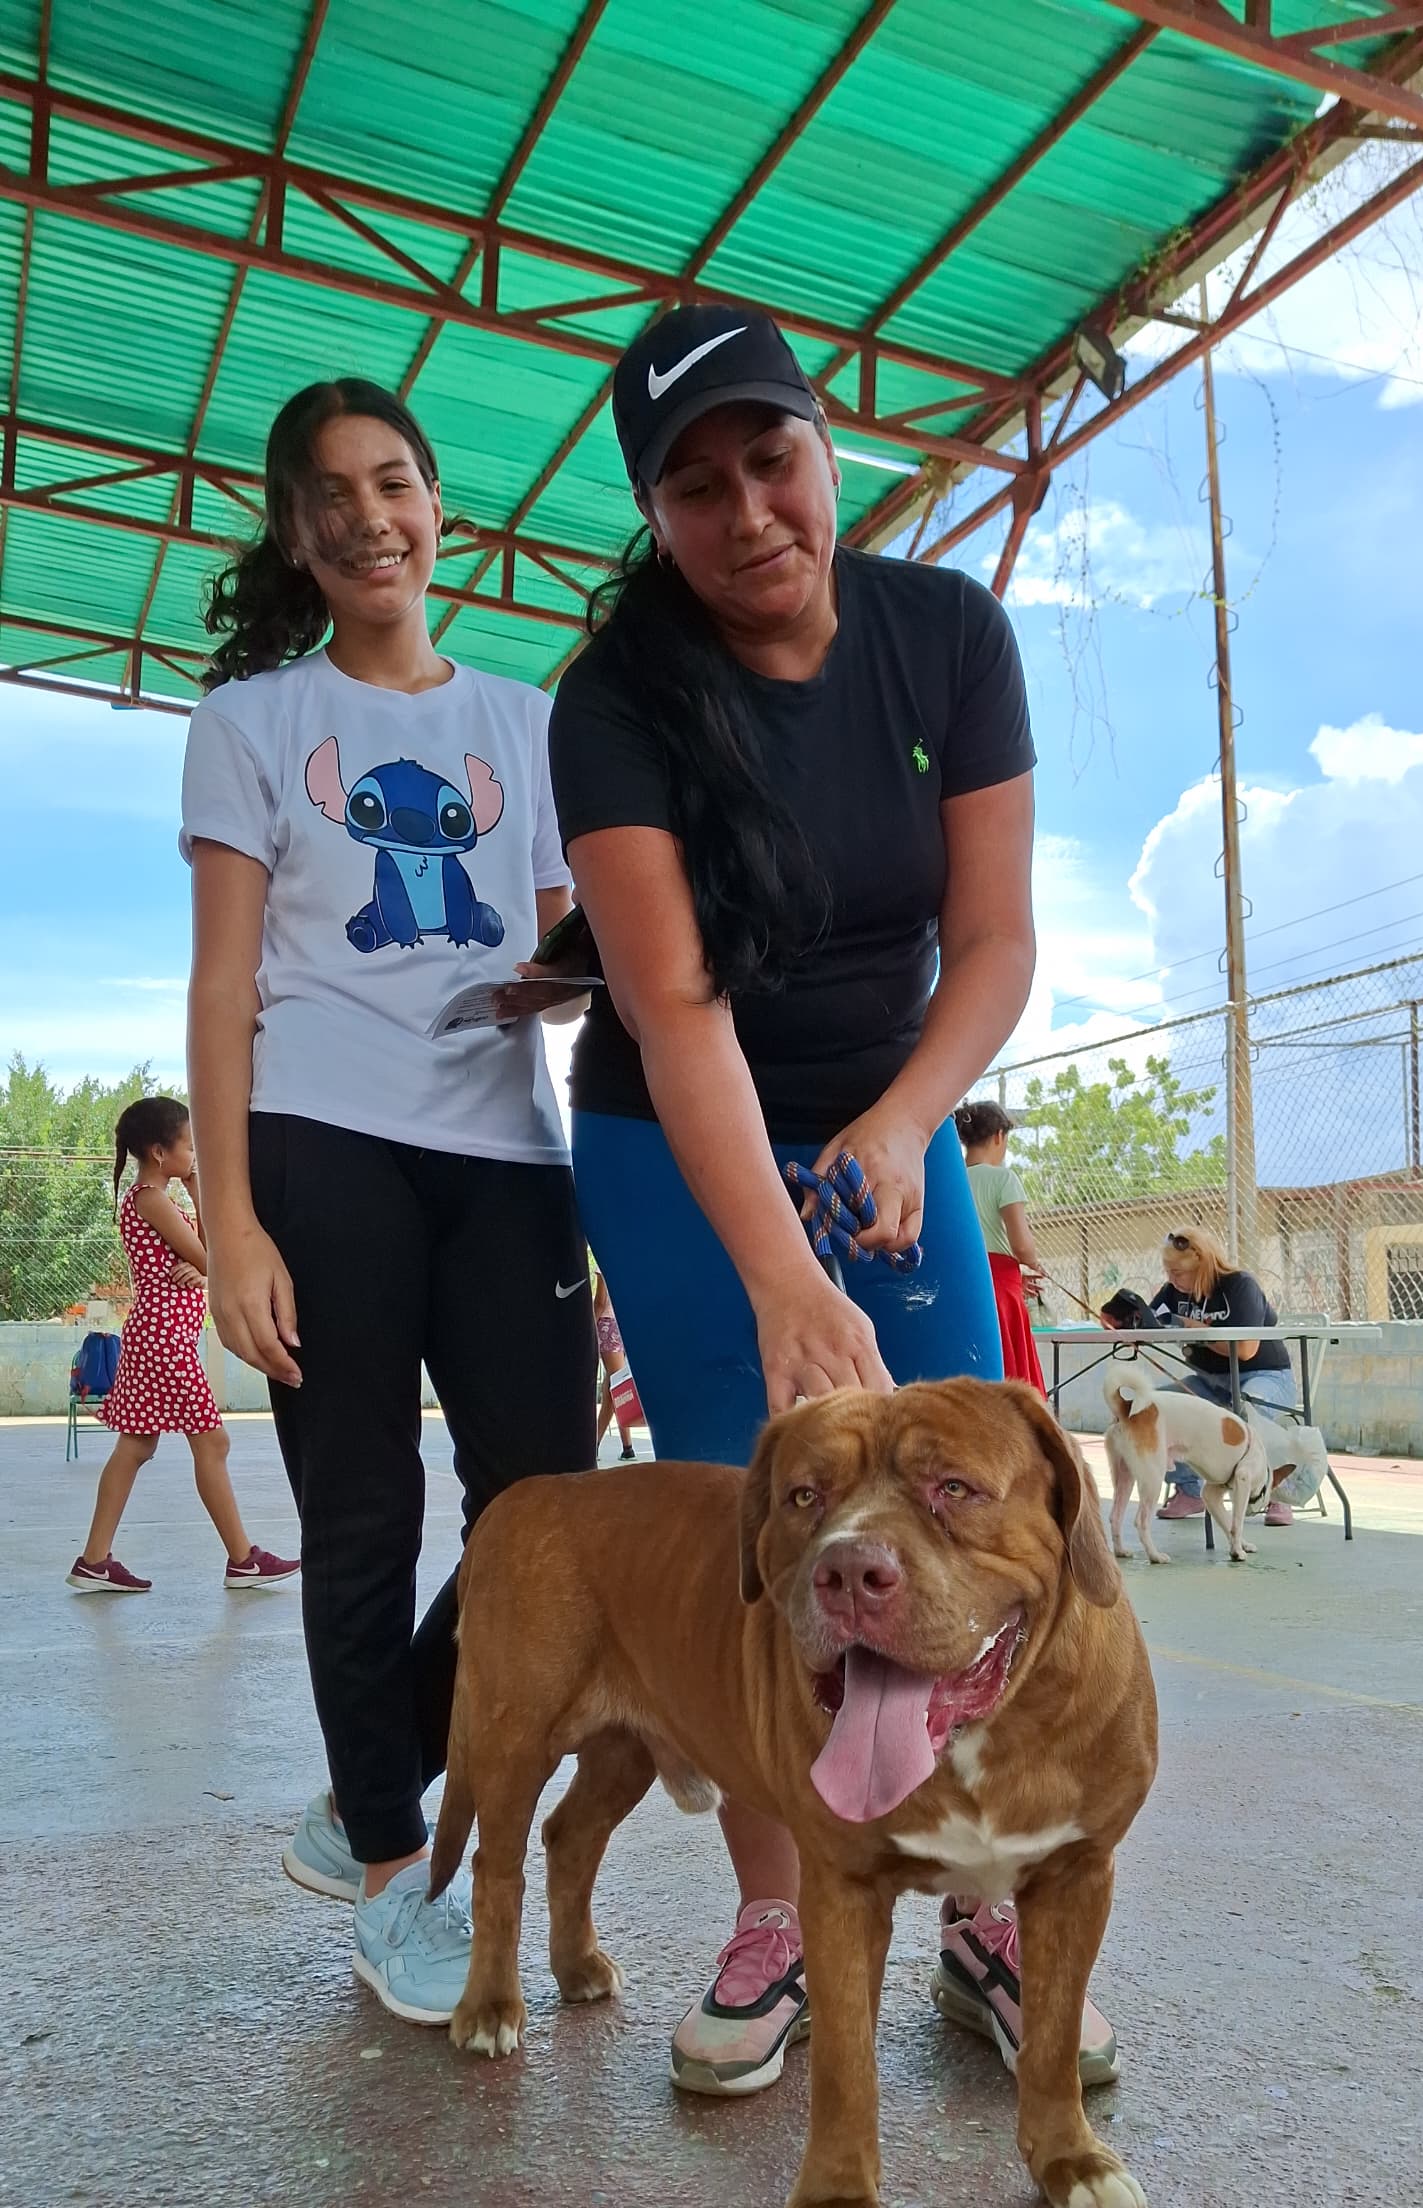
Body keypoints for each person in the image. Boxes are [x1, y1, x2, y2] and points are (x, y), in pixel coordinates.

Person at [548, 302, 1116, 2099]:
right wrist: (781, 1276)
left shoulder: (944, 636)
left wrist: (902, 1123)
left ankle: (980, 1901)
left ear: (828, 444)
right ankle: (784, 1911)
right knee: (776, 1522)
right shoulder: (616, 701)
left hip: (891, 1105)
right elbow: (673, 1005)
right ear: (655, 515)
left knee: (954, 1508)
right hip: (675, 1133)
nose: (749, 514)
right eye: (694, 489)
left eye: (771, 458)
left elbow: (996, 938)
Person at [183, 376, 596, 2028]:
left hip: (509, 1151)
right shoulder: (251, 723)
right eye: (333, 495)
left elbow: (562, 951)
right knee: (364, 1515)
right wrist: (234, 1225)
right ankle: (387, 1867)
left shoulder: (526, 722)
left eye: (396, 482)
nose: (370, 516)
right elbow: (222, 988)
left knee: (543, 1513)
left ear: (441, 511)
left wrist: (568, 977)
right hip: (322, 1140)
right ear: (297, 535)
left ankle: (379, 1763)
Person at [68, 1097, 300, 1594]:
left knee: (136, 1445)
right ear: (159, 1152)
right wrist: (208, 1268)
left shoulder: (155, 1198)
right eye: (189, 1146)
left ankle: (94, 1561)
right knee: (212, 1442)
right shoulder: (151, 1199)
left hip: (157, 1336)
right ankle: (243, 1559)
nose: (195, 1155)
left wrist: (197, 1203)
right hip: (164, 1340)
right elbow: (216, 1259)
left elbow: (208, 1259)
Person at [1150, 1226, 1302, 1527]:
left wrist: (1191, 1327)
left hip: (1265, 1375)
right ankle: (1189, 1489)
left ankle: (1274, 1490)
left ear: (1201, 1264)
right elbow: (1148, 1320)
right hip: (1209, 1380)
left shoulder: (1239, 1285)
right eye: (1168, 1272)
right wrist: (1123, 1320)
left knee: (1248, 1406)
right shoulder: (1173, 1292)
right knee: (1156, 1409)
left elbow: (1245, 1349)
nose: (1171, 1280)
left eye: (1178, 1272)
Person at [956, 1099, 1046, 1395]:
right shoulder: (1003, 1178)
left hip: (962, 1286)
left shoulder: (949, 1181)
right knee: (1011, 1375)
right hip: (1002, 1289)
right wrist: (1033, 1264)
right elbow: (1022, 1245)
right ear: (999, 1136)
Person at [594, 1269, 636, 1458]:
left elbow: (600, 1302)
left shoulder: (603, 1265)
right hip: (620, 1325)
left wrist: (589, 1326)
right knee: (615, 1387)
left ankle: (595, 1444)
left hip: (608, 1325)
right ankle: (627, 1447)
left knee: (616, 1389)